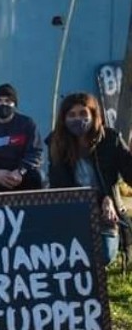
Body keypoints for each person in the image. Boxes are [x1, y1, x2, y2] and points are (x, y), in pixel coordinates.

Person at [48, 92, 132, 265]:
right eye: (72, 115)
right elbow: (61, 185)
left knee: (104, 256)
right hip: (72, 209)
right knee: (72, 258)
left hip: (107, 213)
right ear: (64, 119)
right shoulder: (56, 143)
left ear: (94, 115)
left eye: (83, 113)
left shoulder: (111, 139)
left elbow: (129, 174)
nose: (77, 119)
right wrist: (102, 199)